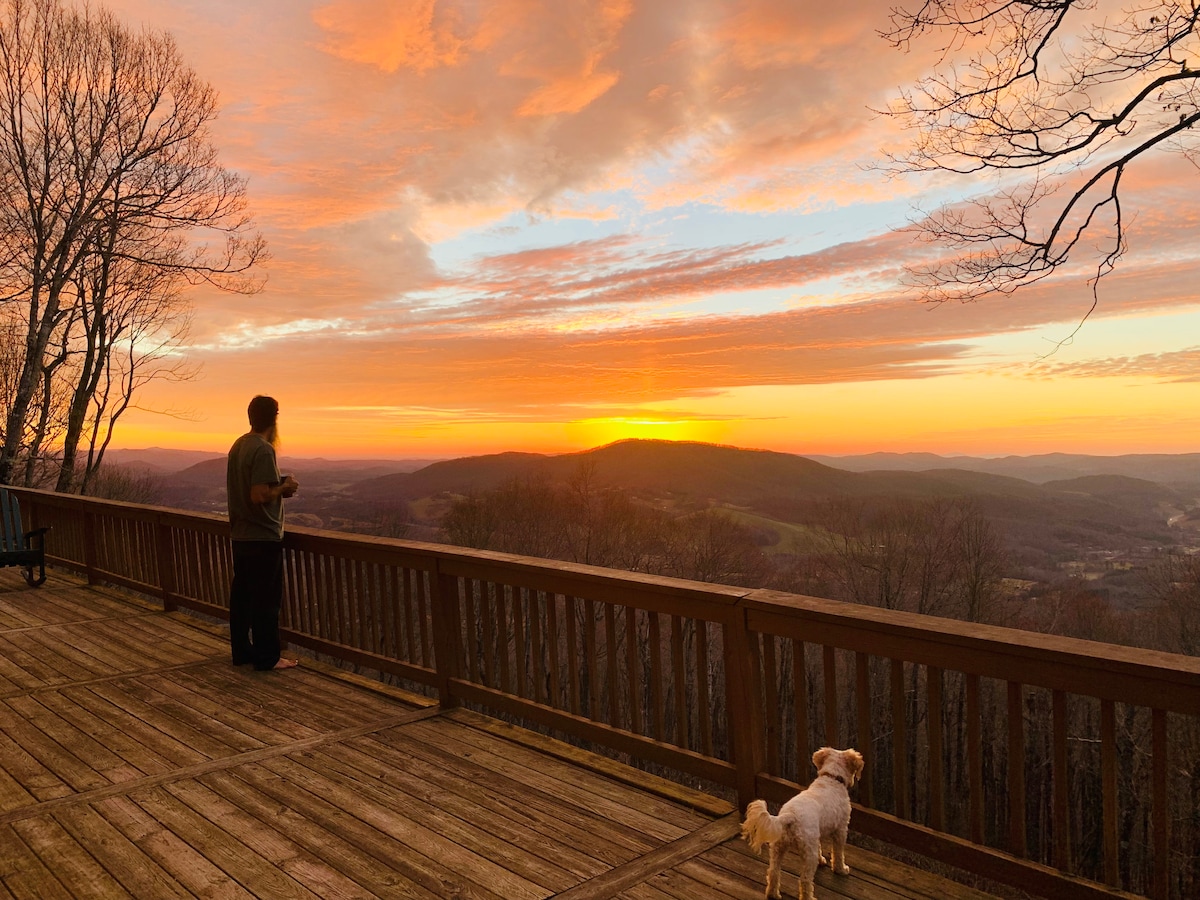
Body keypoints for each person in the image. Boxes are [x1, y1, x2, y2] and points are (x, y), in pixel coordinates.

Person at [226, 395, 300, 670]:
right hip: (263, 536)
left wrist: (275, 486)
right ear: (274, 418)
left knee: (243, 598)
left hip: (241, 534)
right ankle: (268, 658)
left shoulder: (239, 445)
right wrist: (284, 488)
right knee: (267, 600)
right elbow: (258, 495)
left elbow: (248, 488)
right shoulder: (263, 449)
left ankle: (242, 652)